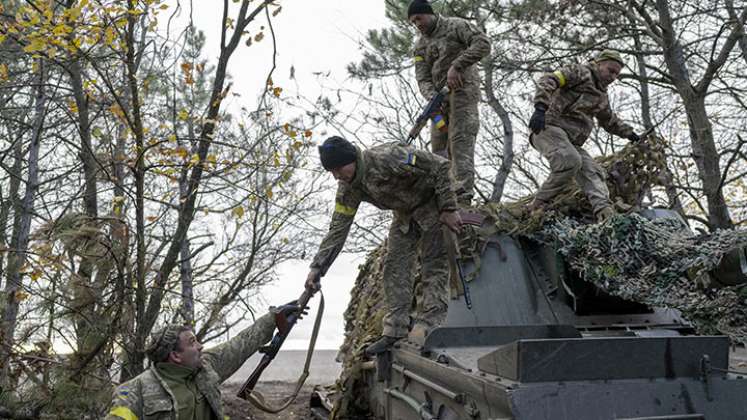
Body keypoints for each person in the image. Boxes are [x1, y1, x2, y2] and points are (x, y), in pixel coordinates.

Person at [305, 136, 462, 355]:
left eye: (339, 168)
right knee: (394, 267)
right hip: (405, 216)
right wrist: (317, 268)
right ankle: (395, 330)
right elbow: (338, 230)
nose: (336, 176)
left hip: (432, 205)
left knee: (433, 265)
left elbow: (440, 165)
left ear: (352, 159)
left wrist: (449, 208)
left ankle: (431, 325)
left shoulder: (389, 158)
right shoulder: (348, 189)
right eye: (332, 171)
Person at [105, 303, 302, 420]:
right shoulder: (133, 392)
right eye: (192, 342)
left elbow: (241, 344)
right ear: (175, 355)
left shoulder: (206, 368)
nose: (200, 346)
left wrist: (273, 318)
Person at [528, 49, 641, 222]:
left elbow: (608, 119)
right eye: (610, 70)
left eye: (616, 74)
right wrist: (540, 108)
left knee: (593, 171)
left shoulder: (602, 96)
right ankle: (538, 204)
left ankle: (604, 212)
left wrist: (630, 134)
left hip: (572, 142)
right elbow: (550, 79)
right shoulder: (579, 72)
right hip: (548, 127)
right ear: (598, 63)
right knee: (570, 161)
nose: (612, 76)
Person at [409, 0, 491, 206]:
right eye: (412, 22)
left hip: (463, 95)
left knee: (460, 142)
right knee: (439, 151)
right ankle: (444, 201)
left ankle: (462, 199)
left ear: (429, 13)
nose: (417, 24)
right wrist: (432, 99)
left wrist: (457, 65)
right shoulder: (420, 47)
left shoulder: (456, 25)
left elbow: (483, 44)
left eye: (419, 18)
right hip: (439, 104)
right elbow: (422, 78)